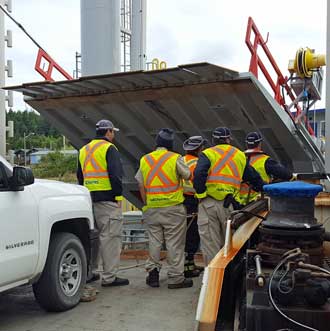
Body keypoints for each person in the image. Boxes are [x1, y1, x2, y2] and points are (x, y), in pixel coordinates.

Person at [193, 127, 264, 265]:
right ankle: (228, 278)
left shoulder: (208, 153)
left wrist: (201, 194)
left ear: (213, 140)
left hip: (208, 203)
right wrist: (264, 188)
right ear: (228, 139)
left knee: (210, 244)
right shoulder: (239, 155)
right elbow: (253, 177)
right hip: (229, 205)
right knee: (229, 244)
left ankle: (213, 280)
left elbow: (199, 174)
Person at [135, 128, 193, 289]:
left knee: (154, 242)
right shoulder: (175, 158)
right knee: (174, 243)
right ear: (170, 144)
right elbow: (188, 175)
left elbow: (141, 184)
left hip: (152, 208)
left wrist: (146, 204)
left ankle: (153, 273)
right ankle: (175, 278)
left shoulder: (145, 159)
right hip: (173, 208)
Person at [77, 119, 129, 287]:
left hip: (88, 201)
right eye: (113, 132)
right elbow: (116, 176)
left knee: (92, 239)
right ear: (108, 132)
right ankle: (110, 277)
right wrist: (118, 197)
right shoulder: (109, 148)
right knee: (110, 238)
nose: (113, 136)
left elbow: (80, 176)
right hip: (107, 201)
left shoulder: (84, 149)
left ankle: (89, 273)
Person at [237, 132, 293, 206]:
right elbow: (287, 175)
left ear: (246, 144)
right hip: (258, 202)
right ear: (260, 144)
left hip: (238, 202)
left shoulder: (239, 159)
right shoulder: (266, 161)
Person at [182, 136, 206, 278]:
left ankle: (187, 264)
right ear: (199, 149)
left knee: (182, 234)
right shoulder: (197, 163)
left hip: (180, 200)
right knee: (192, 234)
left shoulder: (181, 160)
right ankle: (189, 267)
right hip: (192, 200)